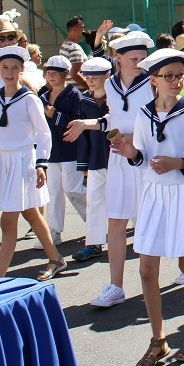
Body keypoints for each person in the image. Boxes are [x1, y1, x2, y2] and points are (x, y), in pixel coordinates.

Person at [113, 48, 184, 365]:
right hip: (155, 196)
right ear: (153, 80)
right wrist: (131, 153)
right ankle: (158, 340)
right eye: (169, 76)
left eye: (180, 75)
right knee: (147, 269)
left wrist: (178, 162)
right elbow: (144, 158)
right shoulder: (144, 114)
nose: (176, 81)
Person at [64, 30, 155, 308]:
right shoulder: (111, 85)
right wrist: (86, 124)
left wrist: (137, 140)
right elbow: (112, 118)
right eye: (133, 58)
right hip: (119, 159)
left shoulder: (153, 82)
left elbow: (163, 116)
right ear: (118, 59)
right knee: (115, 221)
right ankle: (116, 286)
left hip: (148, 157)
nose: (139, 62)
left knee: (154, 219)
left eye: (142, 57)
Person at [0, 46, 66, 280]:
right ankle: (56, 259)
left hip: (24, 160)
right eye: (4, 68)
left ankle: (0, 274)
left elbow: (44, 134)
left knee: (9, 219)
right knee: (31, 213)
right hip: (4, 161)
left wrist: (41, 163)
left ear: (22, 70)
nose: (9, 72)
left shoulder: (30, 99)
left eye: (14, 68)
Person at [39, 54, 87, 244]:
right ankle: (54, 231)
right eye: (49, 73)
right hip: (51, 152)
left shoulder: (75, 95)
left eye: (56, 73)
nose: (51, 76)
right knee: (53, 193)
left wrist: (55, 115)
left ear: (65, 75)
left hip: (70, 151)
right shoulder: (42, 97)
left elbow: (78, 122)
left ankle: (95, 219)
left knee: (72, 188)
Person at [72, 56, 112, 263]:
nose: (90, 80)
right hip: (96, 159)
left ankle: (146, 239)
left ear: (108, 76)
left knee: (132, 201)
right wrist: (84, 164)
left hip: (119, 158)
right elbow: (83, 136)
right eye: (87, 76)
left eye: (95, 77)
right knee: (94, 202)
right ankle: (94, 243)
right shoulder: (84, 100)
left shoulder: (117, 99)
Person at [60, 15, 89, 89]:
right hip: (80, 92)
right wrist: (89, 87)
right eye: (82, 28)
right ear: (74, 30)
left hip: (70, 89)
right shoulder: (75, 48)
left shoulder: (65, 45)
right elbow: (74, 74)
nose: (84, 30)